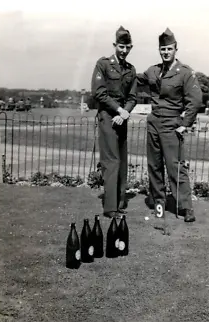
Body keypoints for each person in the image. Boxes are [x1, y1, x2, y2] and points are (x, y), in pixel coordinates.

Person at [137, 28, 203, 222]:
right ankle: (159, 204)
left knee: (176, 167)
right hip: (154, 123)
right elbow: (134, 78)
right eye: (162, 49)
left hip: (172, 124)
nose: (165, 52)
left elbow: (195, 99)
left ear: (176, 49)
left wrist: (185, 123)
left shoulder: (184, 73)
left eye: (169, 49)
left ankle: (185, 207)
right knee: (154, 166)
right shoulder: (153, 71)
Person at [91, 26, 137, 218]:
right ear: (114, 45)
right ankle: (110, 208)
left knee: (122, 162)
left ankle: (119, 204)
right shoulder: (103, 64)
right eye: (121, 46)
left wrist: (125, 112)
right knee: (111, 162)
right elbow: (99, 93)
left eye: (127, 47)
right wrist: (118, 110)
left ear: (131, 47)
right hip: (108, 117)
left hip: (122, 118)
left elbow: (133, 97)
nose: (124, 51)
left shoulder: (131, 69)